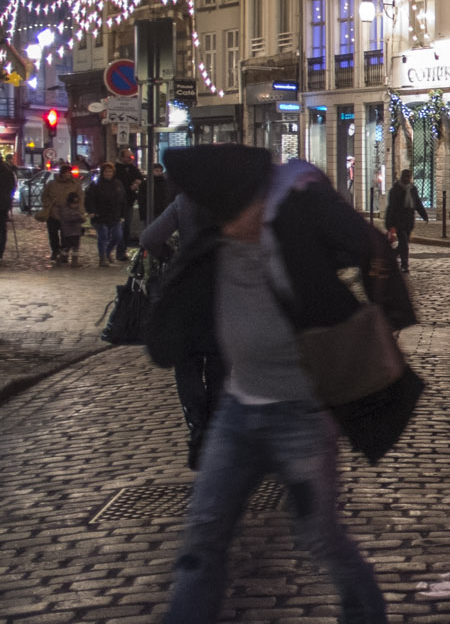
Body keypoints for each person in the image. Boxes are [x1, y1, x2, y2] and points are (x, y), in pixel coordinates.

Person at [145, 145, 416, 624]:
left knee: (321, 539)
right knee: (203, 535)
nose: (239, 223)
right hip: (236, 411)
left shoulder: (291, 227)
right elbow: (172, 299)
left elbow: (368, 243)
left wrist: (384, 317)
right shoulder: (214, 240)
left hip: (302, 414)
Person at [384, 168, 430, 273]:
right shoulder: (395, 190)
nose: (407, 179)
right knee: (404, 242)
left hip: (409, 220)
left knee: (403, 244)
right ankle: (405, 264)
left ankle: (390, 257)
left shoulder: (413, 189)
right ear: (402, 177)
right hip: (399, 220)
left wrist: (424, 215)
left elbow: (417, 203)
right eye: (405, 176)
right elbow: (391, 208)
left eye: (408, 177)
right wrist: (390, 224)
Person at [38, 164, 84, 265]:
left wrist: (79, 212)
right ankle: (55, 251)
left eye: (69, 172)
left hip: (68, 214)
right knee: (53, 233)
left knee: (66, 235)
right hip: (54, 212)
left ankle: (64, 254)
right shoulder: (52, 184)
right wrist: (48, 205)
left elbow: (80, 198)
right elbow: (45, 195)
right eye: (65, 173)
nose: (67, 175)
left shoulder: (75, 184)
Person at [86, 163, 129, 266]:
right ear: (102, 172)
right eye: (106, 171)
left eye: (110, 171)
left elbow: (123, 199)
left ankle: (107, 251)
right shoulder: (96, 184)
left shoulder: (118, 184)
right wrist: (92, 211)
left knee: (117, 236)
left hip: (115, 215)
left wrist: (123, 214)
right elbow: (90, 199)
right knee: (103, 236)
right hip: (100, 215)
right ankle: (103, 257)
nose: (108, 173)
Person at [53, 191, 87, 265]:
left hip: (76, 230)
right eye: (73, 203)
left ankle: (75, 260)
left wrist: (82, 218)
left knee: (76, 246)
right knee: (66, 247)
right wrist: (78, 216)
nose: (75, 205)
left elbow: (82, 218)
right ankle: (61, 258)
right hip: (68, 231)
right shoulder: (64, 208)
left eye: (76, 203)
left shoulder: (78, 208)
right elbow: (67, 217)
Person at [0, 159, 15, 257]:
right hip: (3, 203)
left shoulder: (6, 171)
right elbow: (12, 187)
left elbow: (11, 187)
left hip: (2, 203)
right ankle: (0, 250)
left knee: (1, 228)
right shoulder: (7, 170)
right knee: (1, 228)